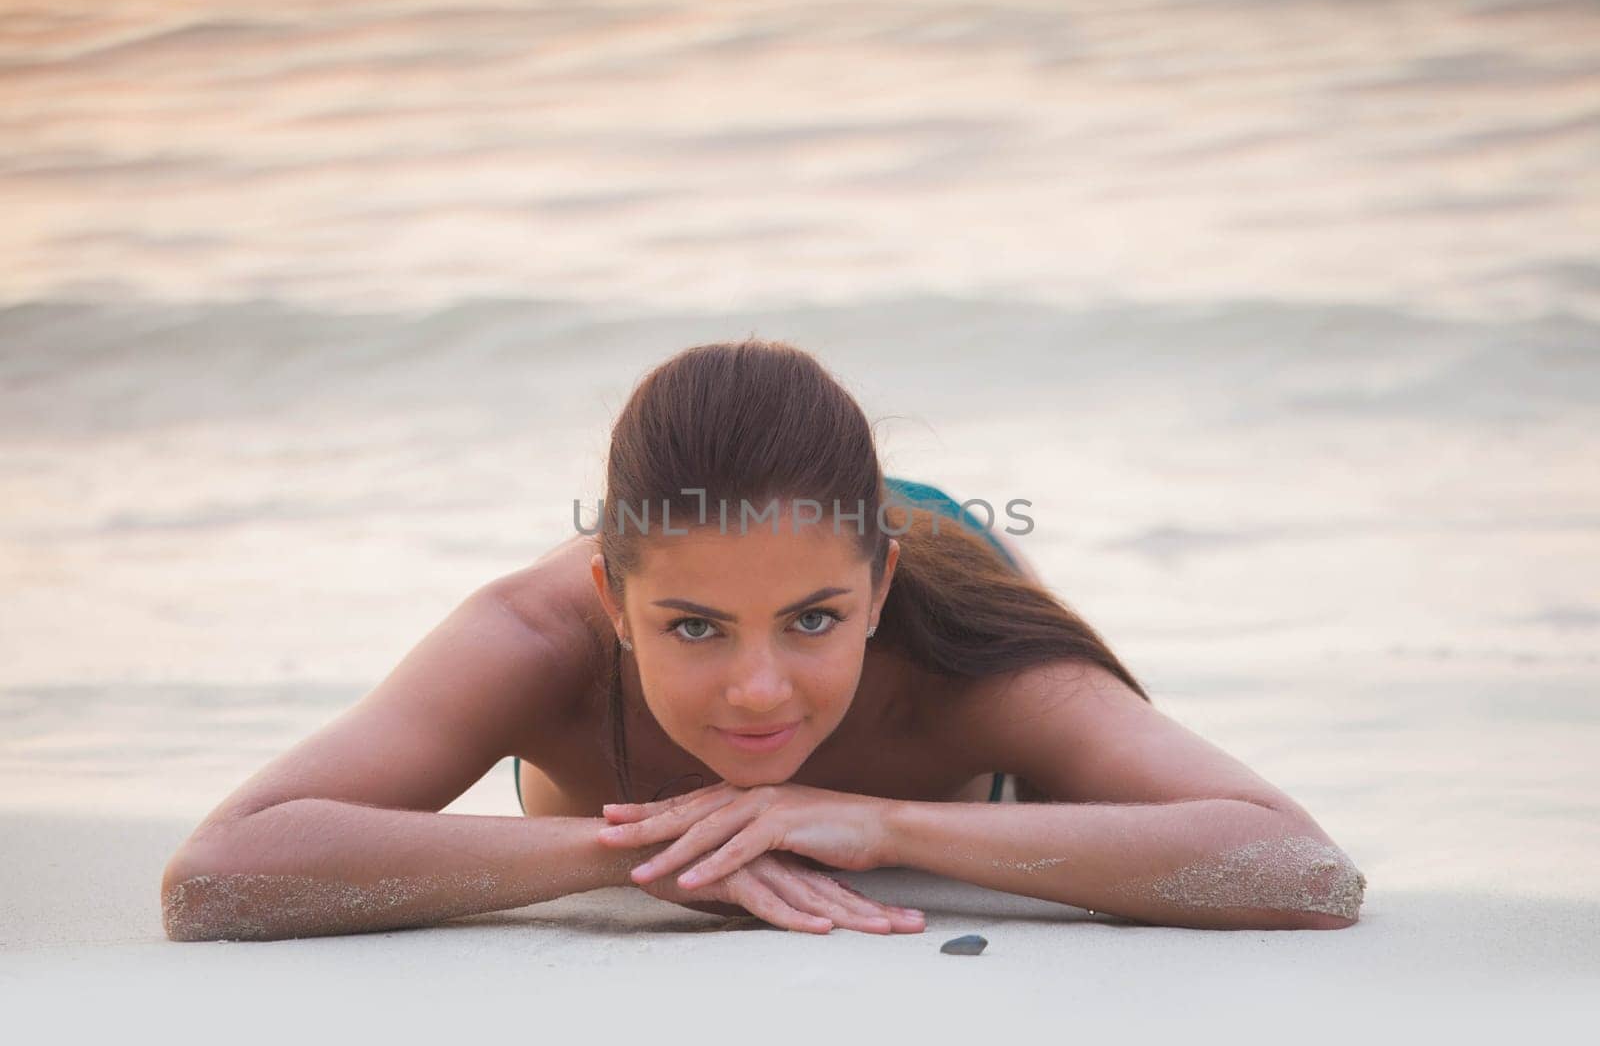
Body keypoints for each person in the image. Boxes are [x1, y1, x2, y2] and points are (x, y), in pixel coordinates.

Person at [160, 340, 1364, 942]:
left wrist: (877, 820)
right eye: (690, 627)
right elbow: (216, 876)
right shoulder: (533, 633)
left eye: (812, 624)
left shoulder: (962, 654)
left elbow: (1300, 869)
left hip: (922, 536)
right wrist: (635, 850)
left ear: (876, 591)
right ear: (613, 600)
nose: (756, 689)